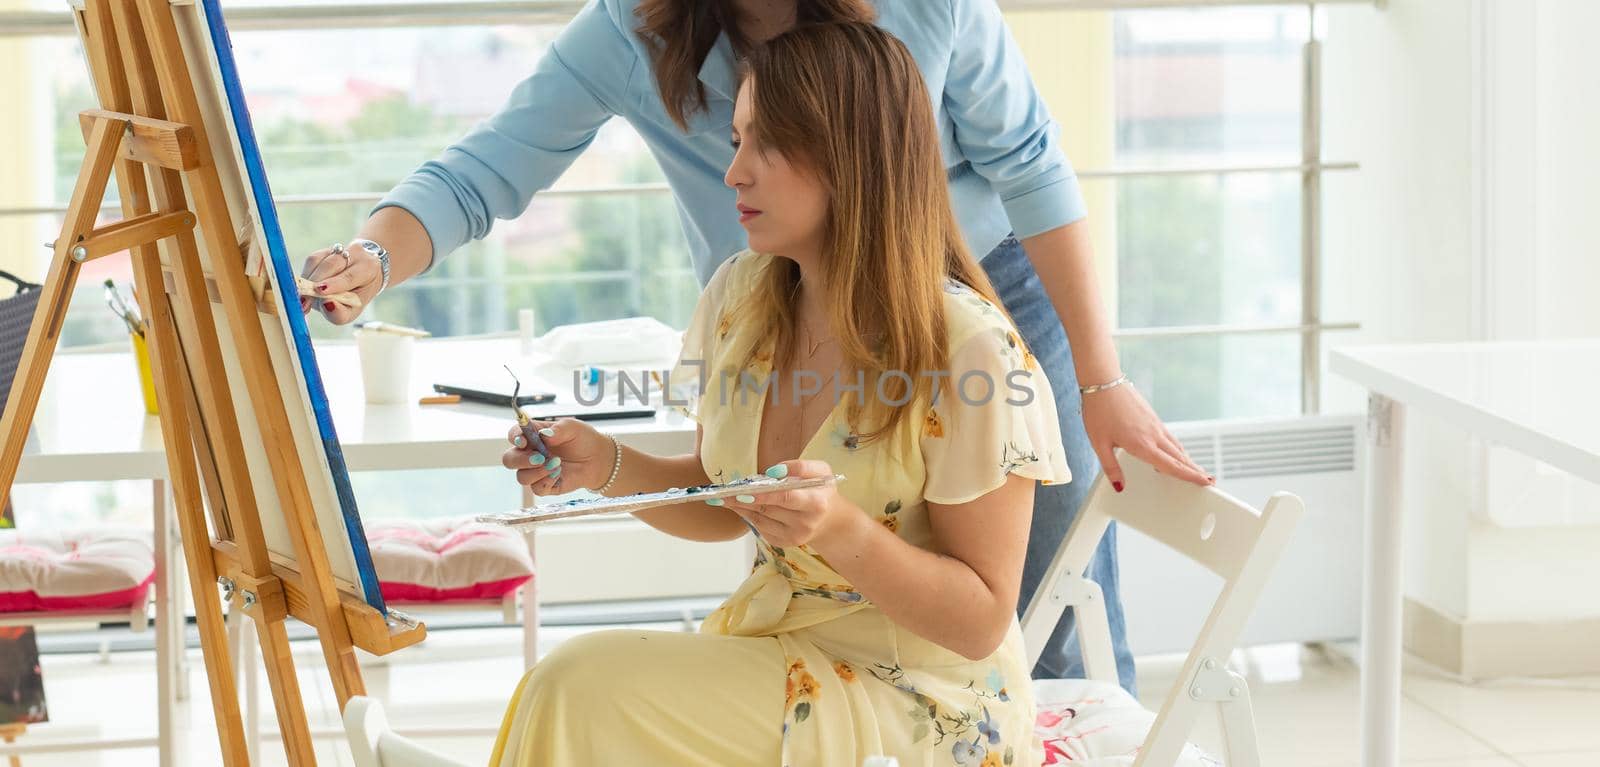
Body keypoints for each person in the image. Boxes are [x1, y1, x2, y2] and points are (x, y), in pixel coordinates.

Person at [300, 0, 1213, 693]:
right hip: (785, 308)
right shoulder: (633, 29)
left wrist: (1101, 378)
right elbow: (485, 167)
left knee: (1044, 604)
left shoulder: (926, 11)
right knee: (814, 573)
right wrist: (376, 256)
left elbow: (1033, 164)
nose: (738, 165)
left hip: (975, 297)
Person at [493, 22, 1067, 764]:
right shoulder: (742, 297)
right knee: (572, 686)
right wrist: (602, 464)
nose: (734, 172)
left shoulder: (972, 351)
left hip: (924, 697)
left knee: (578, 685)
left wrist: (839, 529)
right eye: (736, 141)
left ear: (850, 157)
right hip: (781, 649)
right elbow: (719, 495)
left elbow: (981, 617)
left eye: (764, 144)